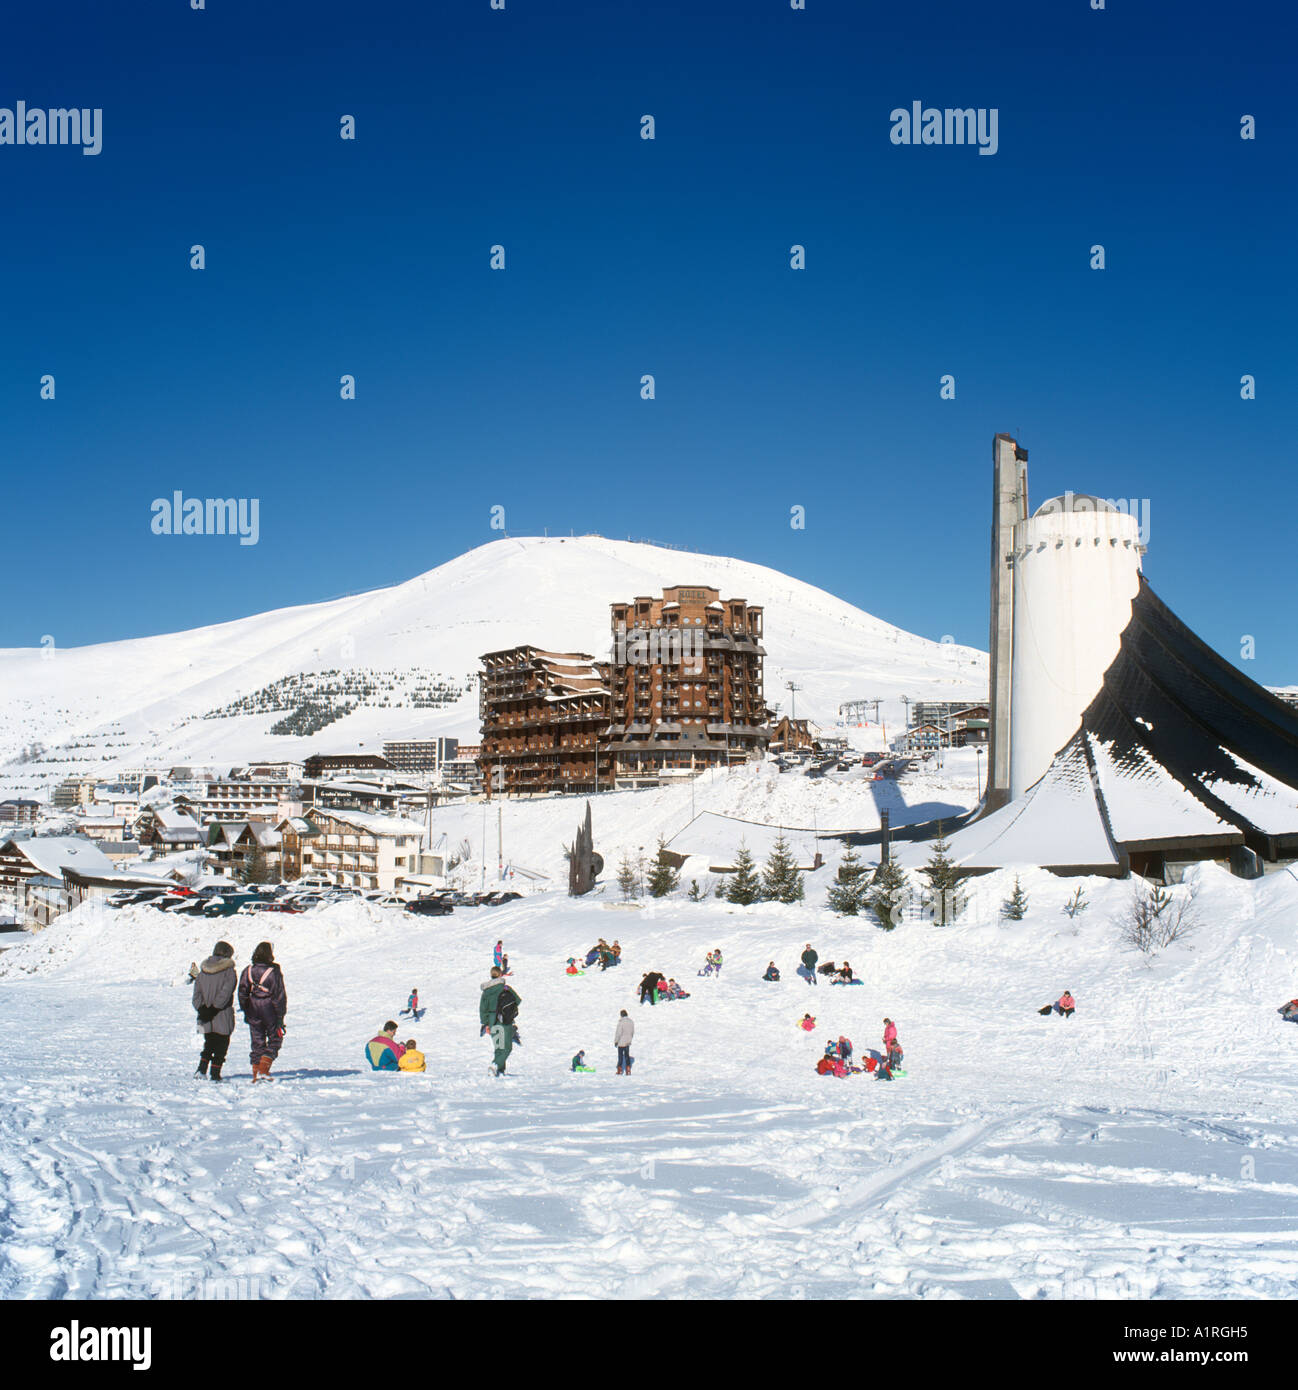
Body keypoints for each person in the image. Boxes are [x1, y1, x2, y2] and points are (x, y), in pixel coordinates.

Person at [238, 941, 287, 1083]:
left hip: (252, 1009)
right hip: (269, 1009)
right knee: (275, 1039)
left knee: (257, 1041)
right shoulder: (274, 972)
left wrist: (246, 1010)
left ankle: (256, 1073)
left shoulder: (247, 970)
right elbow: (279, 996)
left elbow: (242, 993)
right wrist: (280, 1016)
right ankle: (264, 1070)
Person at [192, 940, 237, 1082]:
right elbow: (226, 992)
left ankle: (201, 1069)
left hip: (205, 1016)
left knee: (208, 1043)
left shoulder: (202, 971)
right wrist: (215, 1008)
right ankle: (215, 1073)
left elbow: (196, 996)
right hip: (222, 1014)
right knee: (222, 1044)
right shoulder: (229, 971)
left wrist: (202, 1009)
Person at [479, 966, 522, 1076]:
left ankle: (499, 1071)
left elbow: (483, 1009)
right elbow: (517, 1000)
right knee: (506, 1048)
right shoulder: (505, 988)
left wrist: (485, 1023)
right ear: (500, 975)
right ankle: (495, 1065)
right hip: (505, 1021)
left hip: (492, 1022)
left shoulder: (486, 992)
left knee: (499, 1047)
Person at [615, 1009, 635, 1075]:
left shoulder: (621, 1022)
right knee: (627, 1055)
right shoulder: (631, 1022)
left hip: (621, 1042)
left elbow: (618, 1033)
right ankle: (628, 1069)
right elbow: (632, 1031)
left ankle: (619, 1069)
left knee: (620, 1056)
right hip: (628, 1041)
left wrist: (616, 1041)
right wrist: (630, 1038)